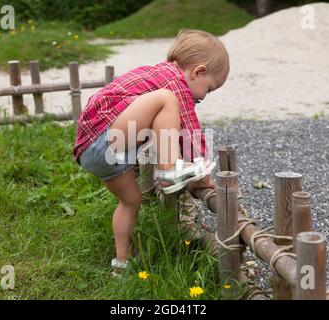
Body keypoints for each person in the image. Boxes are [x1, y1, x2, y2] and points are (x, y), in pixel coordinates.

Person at [73, 29, 229, 276]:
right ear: (198, 72)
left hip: (94, 154)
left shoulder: (157, 73)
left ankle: (121, 265)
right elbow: (189, 129)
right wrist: (205, 176)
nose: (204, 96)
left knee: (130, 202)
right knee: (167, 100)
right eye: (208, 89)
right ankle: (170, 170)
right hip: (103, 139)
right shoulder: (173, 82)